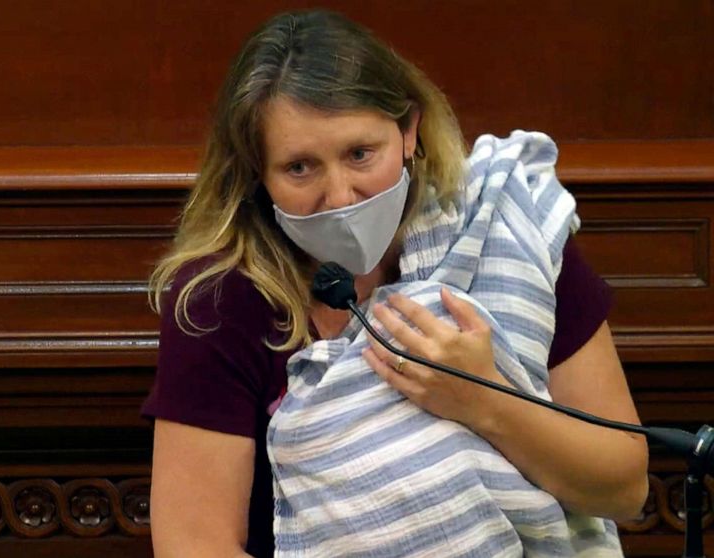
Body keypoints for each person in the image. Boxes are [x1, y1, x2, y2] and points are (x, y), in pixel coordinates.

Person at [142, 10, 648, 558]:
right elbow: (193, 543)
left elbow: (624, 489)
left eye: (361, 154)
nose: (339, 196)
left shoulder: (502, 224)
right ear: (255, 173)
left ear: (409, 131)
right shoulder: (221, 298)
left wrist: (485, 402)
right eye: (299, 168)